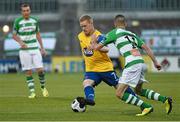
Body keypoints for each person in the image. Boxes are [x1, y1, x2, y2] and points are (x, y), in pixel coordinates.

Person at [90, 14, 172, 116]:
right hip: (141, 63)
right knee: (139, 90)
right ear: (125, 23)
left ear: (115, 23)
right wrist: (155, 62)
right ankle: (165, 99)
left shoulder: (114, 32)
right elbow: (146, 48)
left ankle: (147, 107)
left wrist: (93, 43)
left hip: (132, 64)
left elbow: (98, 47)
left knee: (119, 93)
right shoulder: (132, 34)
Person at [77, 15, 138, 108]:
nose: (83, 28)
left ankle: (136, 98)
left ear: (91, 23)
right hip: (92, 69)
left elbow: (106, 49)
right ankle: (90, 99)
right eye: (81, 26)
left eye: (85, 26)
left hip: (105, 69)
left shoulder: (99, 36)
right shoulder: (80, 36)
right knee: (86, 83)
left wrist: (96, 46)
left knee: (119, 87)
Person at [12, 3, 49, 98]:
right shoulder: (17, 21)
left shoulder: (35, 20)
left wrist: (42, 48)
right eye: (24, 11)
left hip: (35, 49)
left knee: (40, 70)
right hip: (24, 51)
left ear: (30, 11)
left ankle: (43, 88)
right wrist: (21, 42)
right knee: (28, 71)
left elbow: (38, 35)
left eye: (27, 10)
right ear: (21, 12)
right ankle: (32, 92)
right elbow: (14, 35)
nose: (26, 12)